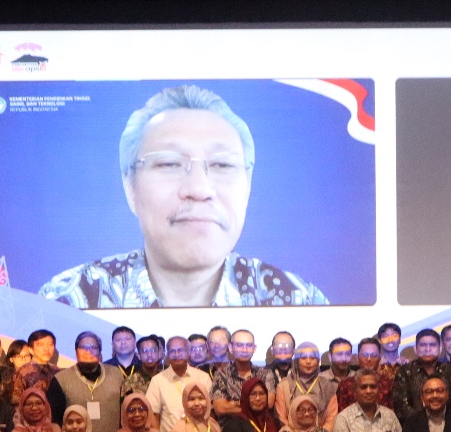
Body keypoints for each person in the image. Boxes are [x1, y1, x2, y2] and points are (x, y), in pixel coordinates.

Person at [39, 85, 328, 307]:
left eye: (223, 165)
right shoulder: (68, 299)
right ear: (130, 186)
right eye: (169, 163)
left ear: (248, 186)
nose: (199, 189)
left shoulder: (298, 300)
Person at [49, 331, 122, 432]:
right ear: (76, 352)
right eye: (83, 347)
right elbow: (55, 420)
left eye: (93, 347)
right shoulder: (61, 379)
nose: (88, 351)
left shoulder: (116, 375)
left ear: (100, 352)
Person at [146, 337, 213, 432]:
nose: (177, 354)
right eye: (172, 351)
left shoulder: (203, 377)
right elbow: (153, 415)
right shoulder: (157, 380)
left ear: (188, 352)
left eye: (181, 350)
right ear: (168, 355)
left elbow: (210, 412)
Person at [391, 329, 451, 423]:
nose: (427, 349)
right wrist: (422, 423)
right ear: (415, 349)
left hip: (448, 424)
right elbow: (401, 404)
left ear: (440, 349)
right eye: (423, 345)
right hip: (414, 425)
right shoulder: (405, 371)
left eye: (432, 345)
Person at [273, 341, 339, 428]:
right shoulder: (284, 386)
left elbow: (331, 419)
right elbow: (281, 418)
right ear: (296, 361)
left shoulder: (327, 386)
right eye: (303, 358)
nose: (308, 362)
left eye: (312, 358)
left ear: (318, 361)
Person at [210, 329, 275, 417]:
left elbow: (269, 403)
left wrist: (234, 404)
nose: (244, 350)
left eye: (249, 345)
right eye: (239, 345)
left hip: (260, 423)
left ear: (254, 349)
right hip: (231, 423)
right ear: (231, 348)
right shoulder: (221, 374)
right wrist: (254, 403)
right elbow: (220, 409)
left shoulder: (265, 373)